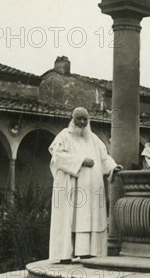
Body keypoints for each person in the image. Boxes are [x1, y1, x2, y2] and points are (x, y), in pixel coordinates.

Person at [48, 107, 122, 263]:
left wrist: (113, 166)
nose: (82, 123)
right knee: (72, 219)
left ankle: (89, 252)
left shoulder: (94, 138)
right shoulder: (64, 136)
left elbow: (104, 158)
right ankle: (65, 255)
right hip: (73, 188)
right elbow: (57, 156)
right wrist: (80, 161)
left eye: (84, 119)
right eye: (78, 119)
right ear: (72, 119)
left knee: (91, 219)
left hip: (92, 190)